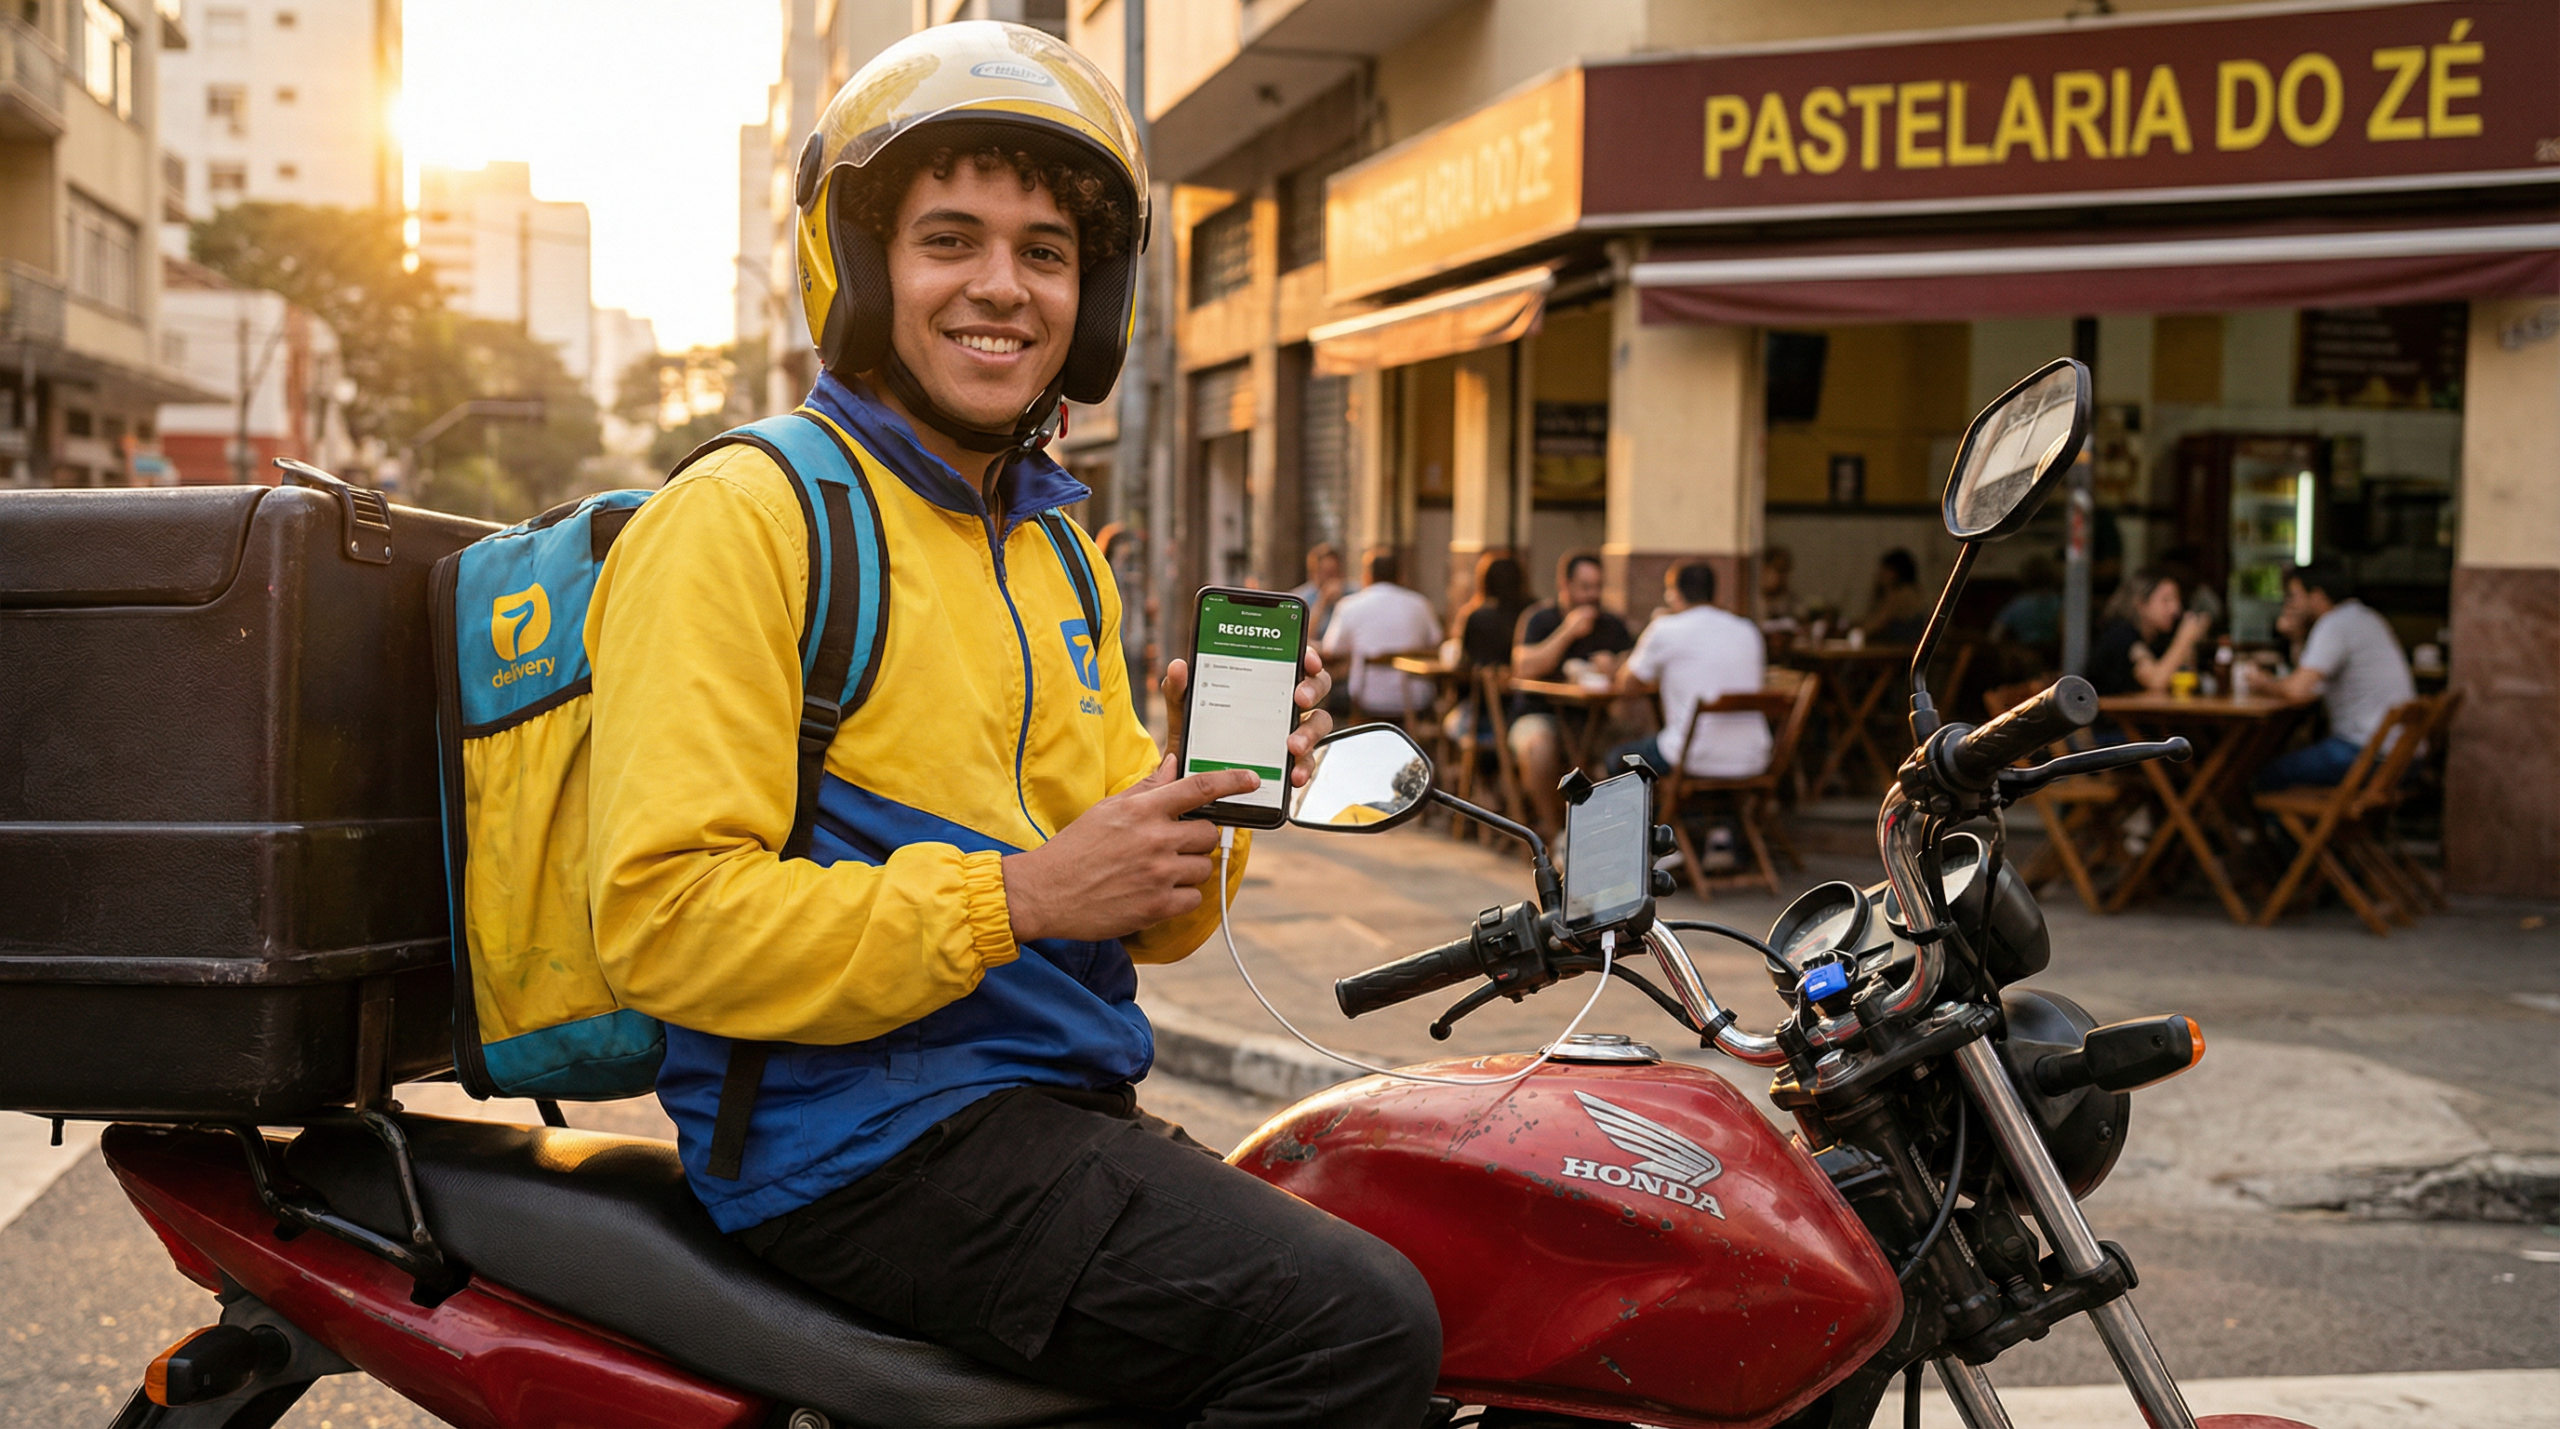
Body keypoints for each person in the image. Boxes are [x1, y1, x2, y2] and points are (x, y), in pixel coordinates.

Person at [584, 25, 1436, 1426]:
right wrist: (1023, 895)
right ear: (861, 266)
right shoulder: (746, 519)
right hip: (853, 1143)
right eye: (951, 239)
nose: (1003, 287)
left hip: (1036, 1108)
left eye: (1046, 251)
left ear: (1090, 297)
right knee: (1352, 1325)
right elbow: (665, 921)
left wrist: (1206, 802)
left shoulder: (1052, 549)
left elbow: (1146, 924)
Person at [2260, 561, 2417, 790]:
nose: (2290, 604)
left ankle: (2284, 826)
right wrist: (2296, 636)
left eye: (2294, 596)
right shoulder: (2364, 617)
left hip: (2369, 754)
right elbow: (2309, 683)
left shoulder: (2334, 625)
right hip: (2401, 755)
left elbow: (2297, 690)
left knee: (2267, 776)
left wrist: (2262, 683)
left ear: (2317, 596)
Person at [1609, 561, 1771, 782]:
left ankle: (1654, 816)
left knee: (1616, 760)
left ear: (1674, 594)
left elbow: (1626, 686)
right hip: (1752, 758)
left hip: (1691, 757)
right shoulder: (1748, 630)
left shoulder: (1665, 628)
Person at [1511, 551, 1634, 834]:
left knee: (1633, 747)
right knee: (1539, 748)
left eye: (1597, 587)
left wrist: (1615, 666)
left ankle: (1613, 836)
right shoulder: (1540, 619)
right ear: (1564, 585)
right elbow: (1522, 667)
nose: (1593, 595)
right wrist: (1567, 632)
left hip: (1595, 718)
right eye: (1585, 587)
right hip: (1539, 713)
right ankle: (1557, 834)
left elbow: (1634, 663)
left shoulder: (1611, 624)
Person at [1323, 546, 1443, 720]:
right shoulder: (1420, 604)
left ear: (1366, 576)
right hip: (1416, 698)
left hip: (1369, 697)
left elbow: (1331, 649)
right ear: (1401, 577)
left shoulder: (1350, 605)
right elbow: (1436, 642)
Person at [2089, 569, 2211, 697]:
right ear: (2141, 604)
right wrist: (2184, 640)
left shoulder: (2159, 638)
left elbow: (2183, 680)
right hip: (2104, 714)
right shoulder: (2121, 633)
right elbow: (2156, 681)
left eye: (2176, 600)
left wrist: (2191, 644)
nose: (2176, 609)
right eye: (2166, 600)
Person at [1093, 522, 1150, 710]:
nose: (1125, 553)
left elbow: (1143, 609)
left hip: (1134, 641)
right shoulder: (1100, 572)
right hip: (1112, 640)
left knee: (1136, 692)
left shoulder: (1136, 575)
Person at [1989, 555, 2063, 653]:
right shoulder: (2060, 602)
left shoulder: (2017, 604)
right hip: (2053, 656)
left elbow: (1994, 636)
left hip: (2024, 655)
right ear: (2052, 576)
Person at [1857, 548, 1929, 642]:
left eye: (1884, 570)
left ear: (1895, 573)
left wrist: (1851, 633)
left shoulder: (1901, 595)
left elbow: (1874, 625)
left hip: (1902, 652)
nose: (1880, 574)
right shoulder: (1910, 592)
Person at [1288, 541, 1354, 641]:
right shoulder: (1299, 599)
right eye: (1327, 573)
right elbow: (1302, 638)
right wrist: (1322, 601)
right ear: (1314, 574)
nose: (1332, 579)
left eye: (1335, 572)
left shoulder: (1353, 594)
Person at [1756, 545, 1808, 632]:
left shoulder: (1791, 600)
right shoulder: (1750, 600)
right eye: (1778, 570)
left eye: (1785, 571)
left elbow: (1803, 622)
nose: (1782, 576)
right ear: (1764, 570)